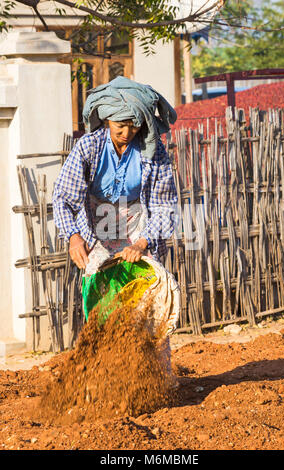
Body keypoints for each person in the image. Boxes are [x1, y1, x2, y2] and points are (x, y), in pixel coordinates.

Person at [52, 77, 180, 377]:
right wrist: (73, 237)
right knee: (99, 293)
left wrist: (143, 243)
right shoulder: (88, 147)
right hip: (95, 225)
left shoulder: (153, 152)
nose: (126, 132)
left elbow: (164, 203)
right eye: (120, 125)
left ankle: (156, 375)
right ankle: (102, 374)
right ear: (107, 118)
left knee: (149, 293)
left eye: (134, 126)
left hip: (138, 223)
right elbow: (64, 198)